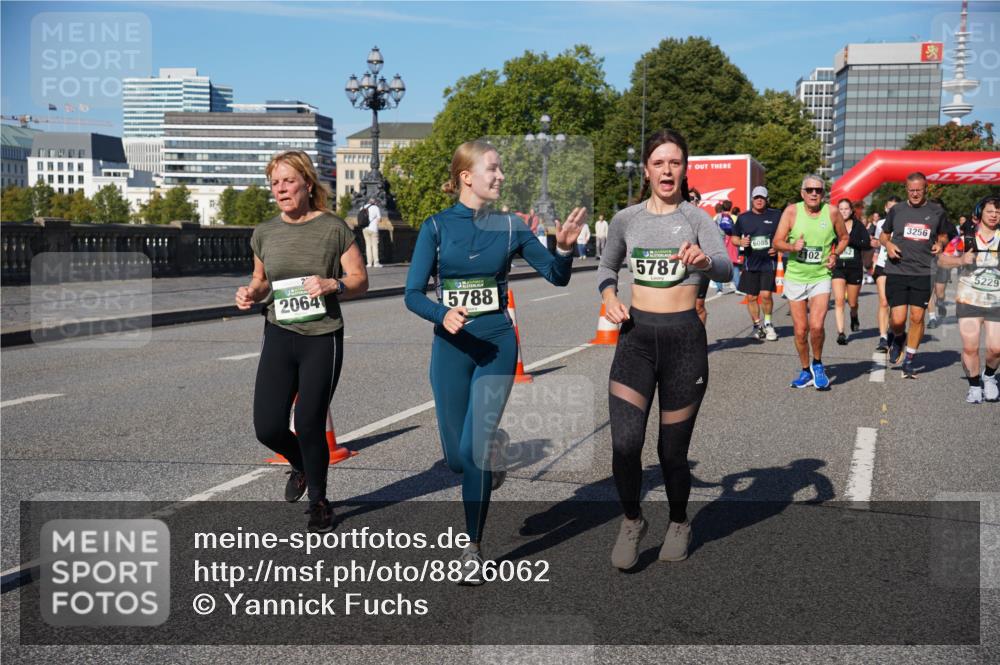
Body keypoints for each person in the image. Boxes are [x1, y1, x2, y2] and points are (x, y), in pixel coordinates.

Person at [404, 140, 585, 583]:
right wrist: (441, 313)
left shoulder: (510, 228)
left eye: (501, 169)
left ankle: (472, 546)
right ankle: (495, 449)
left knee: (474, 450)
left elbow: (558, 277)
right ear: (467, 176)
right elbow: (411, 294)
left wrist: (562, 248)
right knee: (456, 459)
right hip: (450, 349)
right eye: (494, 168)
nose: (501, 176)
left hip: (497, 347)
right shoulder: (436, 227)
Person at [597, 129, 732, 569]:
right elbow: (606, 264)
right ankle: (633, 520)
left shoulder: (697, 219)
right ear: (647, 169)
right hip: (636, 339)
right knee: (625, 444)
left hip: (683, 342)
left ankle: (678, 520)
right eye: (659, 162)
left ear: (684, 168)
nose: (667, 170)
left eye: (675, 162)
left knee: (671, 453)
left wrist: (704, 262)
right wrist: (609, 297)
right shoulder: (627, 219)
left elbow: (728, 267)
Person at [235, 150, 368, 533]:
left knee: (310, 423)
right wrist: (250, 292)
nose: (280, 189)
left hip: (321, 336)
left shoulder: (333, 228)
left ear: (307, 184)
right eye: (274, 183)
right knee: (268, 427)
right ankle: (301, 465)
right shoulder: (264, 233)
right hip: (279, 333)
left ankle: (319, 502)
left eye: (288, 181)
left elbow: (360, 278)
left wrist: (333, 284)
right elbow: (261, 280)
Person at [773, 175, 849, 390]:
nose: (814, 193)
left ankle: (817, 363)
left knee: (816, 326)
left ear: (823, 194)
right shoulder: (791, 211)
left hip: (820, 276)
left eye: (818, 190)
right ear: (802, 192)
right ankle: (805, 370)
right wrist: (792, 247)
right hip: (796, 277)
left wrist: (835, 254)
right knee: (800, 330)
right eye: (810, 190)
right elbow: (776, 242)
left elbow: (843, 238)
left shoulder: (832, 212)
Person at [879, 173, 951, 378]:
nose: (915, 193)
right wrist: (889, 244)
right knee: (898, 320)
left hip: (923, 271)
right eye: (911, 190)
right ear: (906, 190)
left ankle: (909, 360)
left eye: (919, 189)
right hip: (898, 269)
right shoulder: (897, 210)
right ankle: (899, 337)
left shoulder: (937, 211)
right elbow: (884, 235)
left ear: (925, 188)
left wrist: (941, 243)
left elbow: (944, 235)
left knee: (917, 317)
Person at [939, 196, 1000, 403]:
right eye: (990, 211)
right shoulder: (966, 238)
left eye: (998, 212)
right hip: (969, 299)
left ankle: (989, 376)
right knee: (970, 347)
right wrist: (960, 259)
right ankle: (974, 386)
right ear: (980, 213)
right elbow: (941, 260)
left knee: (996, 348)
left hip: (996, 301)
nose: (994, 215)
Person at [733, 185, 781, 341]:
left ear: (767, 200)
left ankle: (768, 324)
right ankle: (757, 325)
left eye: (762, 198)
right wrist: (740, 241)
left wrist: (777, 246)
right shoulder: (743, 217)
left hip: (768, 262)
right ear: (752, 199)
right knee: (752, 297)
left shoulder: (776, 215)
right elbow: (734, 238)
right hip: (750, 263)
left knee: (766, 295)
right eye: (756, 198)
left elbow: (786, 234)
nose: (759, 200)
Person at [832, 198, 873, 345]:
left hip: (854, 268)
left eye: (846, 209)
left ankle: (854, 315)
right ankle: (841, 332)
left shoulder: (858, 226)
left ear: (851, 211)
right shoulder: (833, 225)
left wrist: (849, 240)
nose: (843, 211)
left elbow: (866, 243)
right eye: (841, 209)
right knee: (839, 301)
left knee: (852, 302)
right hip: (838, 268)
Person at [873, 196, 901, 351]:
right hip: (883, 265)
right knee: (884, 302)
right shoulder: (881, 224)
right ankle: (883, 337)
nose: (892, 211)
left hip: (899, 266)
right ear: (885, 208)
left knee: (895, 304)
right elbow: (878, 242)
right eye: (890, 208)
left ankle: (893, 331)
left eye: (896, 209)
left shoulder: (904, 223)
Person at [713, 201, 741, 293]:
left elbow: (714, 230)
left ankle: (719, 289)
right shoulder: (734, 217)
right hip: (732, 244)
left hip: (720, 243)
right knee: (734, 265)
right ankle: (737, 287)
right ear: (731, 207)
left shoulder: (718, 217)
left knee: (719, 266)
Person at [362, 197, 383, 268]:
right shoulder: (376, 208)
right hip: (373, 229)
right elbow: (379, 219)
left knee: (368, 246)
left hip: (365, 229)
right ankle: (376, 263)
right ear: (375, 202)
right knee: (374, 246)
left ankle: (369, 263)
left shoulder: (363, 207)